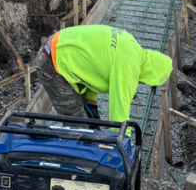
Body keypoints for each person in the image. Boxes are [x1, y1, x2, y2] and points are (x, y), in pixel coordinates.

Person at [32, 25, 172, 123]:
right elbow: (119, 117)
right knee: (79, 127)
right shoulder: (128, 70)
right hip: (53, 64)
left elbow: (94, 70)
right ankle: (79, 163)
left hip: (58, 47)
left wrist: (92, 108)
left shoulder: (132, 45)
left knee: (87, 123)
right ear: (150, 76)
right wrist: (126, 148)